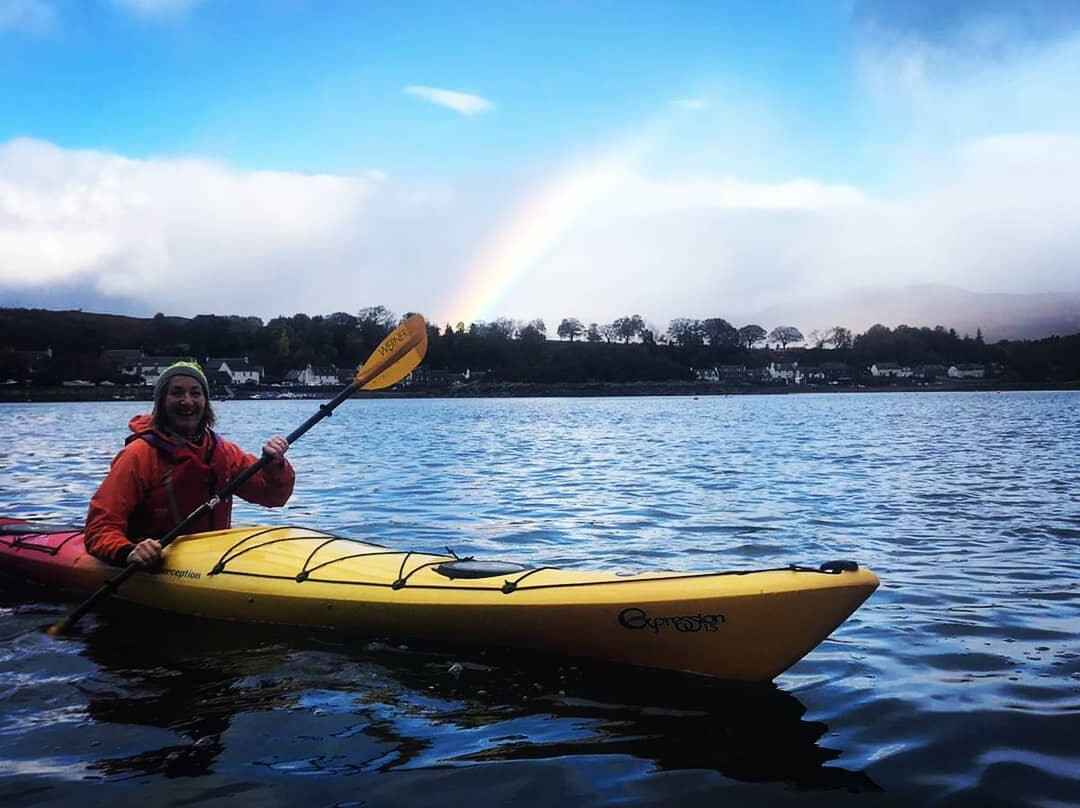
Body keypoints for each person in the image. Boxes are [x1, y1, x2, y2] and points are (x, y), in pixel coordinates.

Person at [85, 360, 295, 567]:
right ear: (161, 403)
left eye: (195, 393)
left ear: (205, 402)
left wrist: (275, 466)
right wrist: (127, 552)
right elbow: (100, 527)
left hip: (211, 559)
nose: (187, 401)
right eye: (176, 393)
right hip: (157, 561)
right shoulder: (138, 455)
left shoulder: (223, 451)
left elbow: (274, 497)